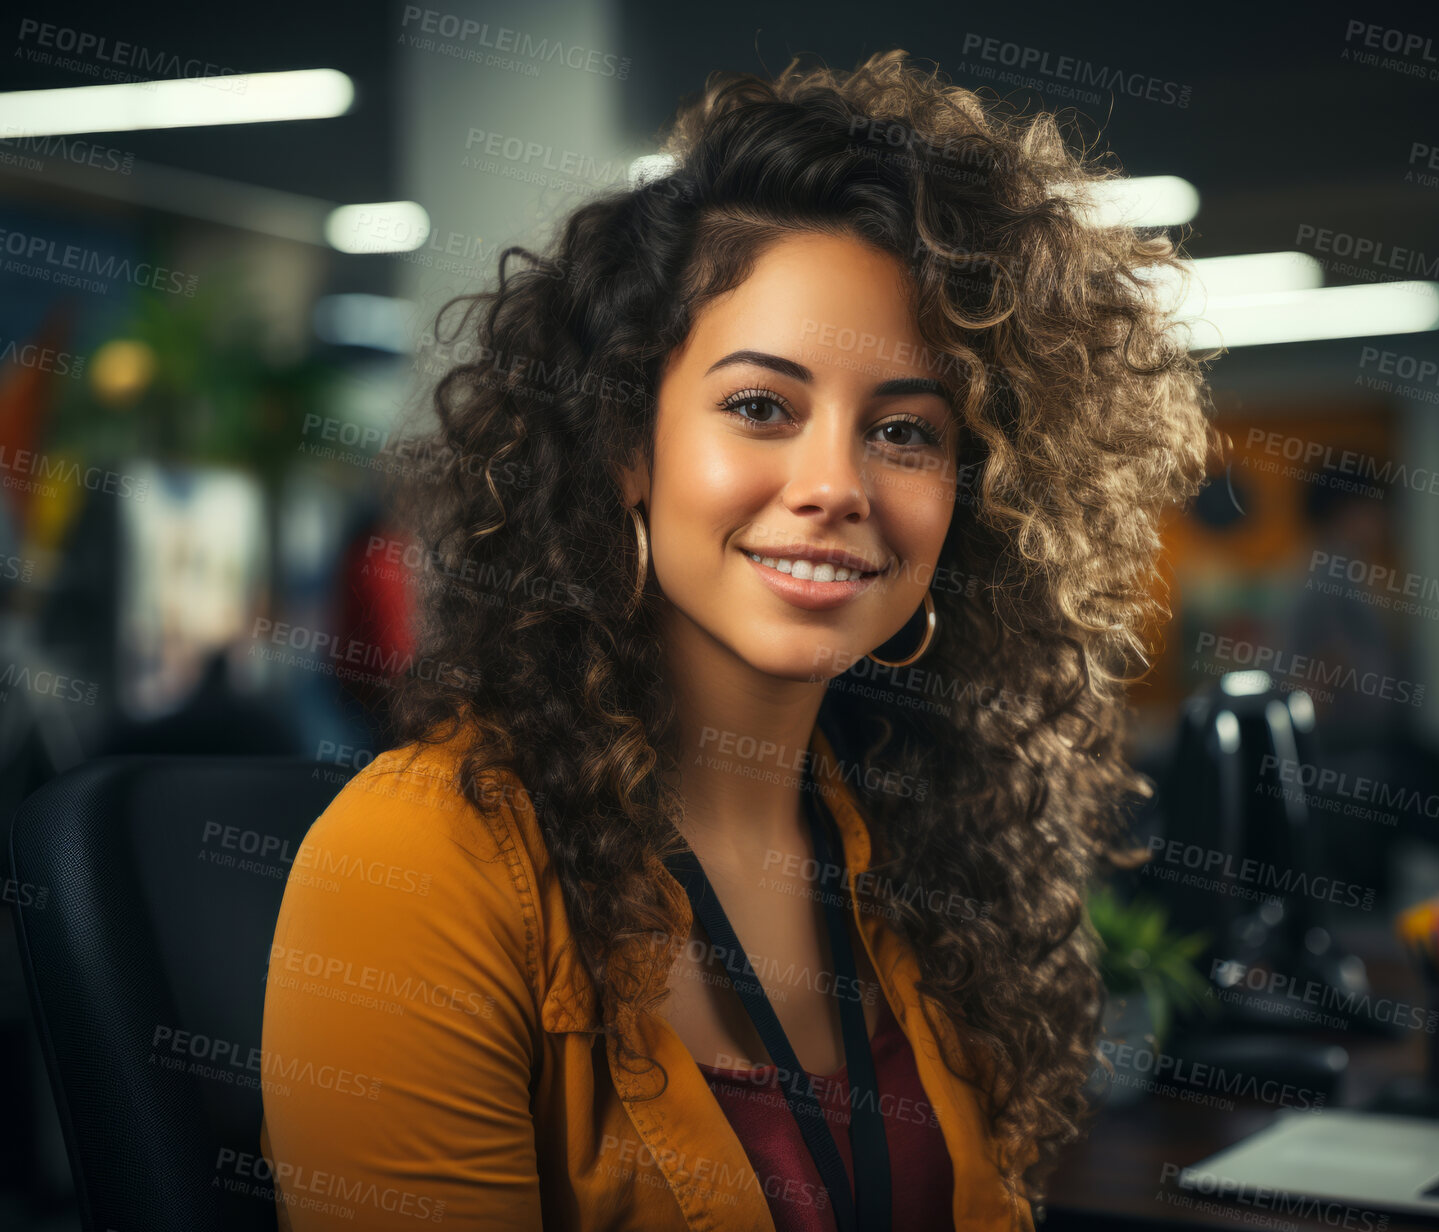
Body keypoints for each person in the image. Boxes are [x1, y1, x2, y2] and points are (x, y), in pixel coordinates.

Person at [259, 50, 1218, 1231]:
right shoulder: (421, 861)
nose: (836, 485)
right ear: (625, 447)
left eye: (905, 431)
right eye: (760, 405)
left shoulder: (919, 849)